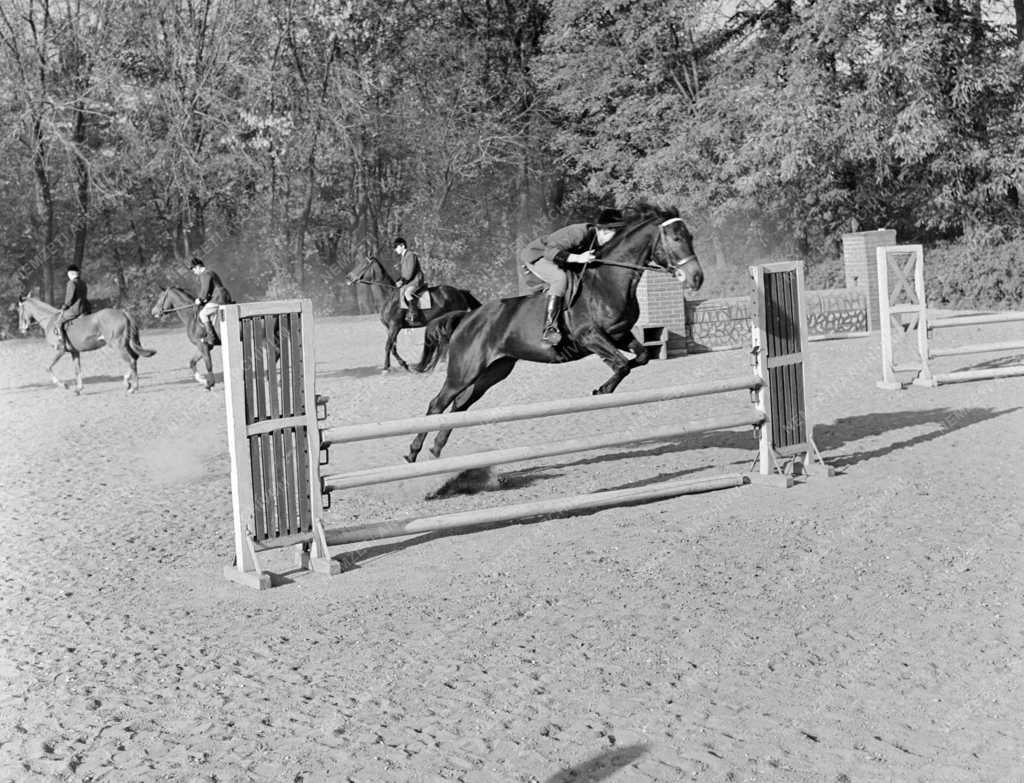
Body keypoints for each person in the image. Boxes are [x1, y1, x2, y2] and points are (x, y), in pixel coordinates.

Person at [518, 207, 627, 344]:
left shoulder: (600, 242)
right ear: (605, 230)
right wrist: (579, 258)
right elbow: (550, 251)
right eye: (616, 234)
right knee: (560, 278)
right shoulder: (579, 232)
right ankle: (549, 329)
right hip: (538, 255)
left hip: (559, 260)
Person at [190, 257, 232, 345]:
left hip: (218, 298)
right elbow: (209, 291)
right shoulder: (211, 272)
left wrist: (200, 299)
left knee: (202, 314)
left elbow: (205, 290)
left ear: (198, 267)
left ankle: (211, 337)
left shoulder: (204, 274)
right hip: (223, 296)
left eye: (193, 269)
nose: (194, 272)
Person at [54, 264, 91, 351]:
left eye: (68, 274)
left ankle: (63, 344)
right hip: (86, 307)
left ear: (70, 274)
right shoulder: (83, 283)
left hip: (76, 309)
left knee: (58, 322)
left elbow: (69, 299)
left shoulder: (71, 283)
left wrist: (64, 306)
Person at [393, 237, 425, 326]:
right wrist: (399, 280)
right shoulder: (404, 257)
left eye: (396, 247)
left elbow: (409, 272)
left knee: (408, 293)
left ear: (402, 245)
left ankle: (414, 314)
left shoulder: (410, 255)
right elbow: (404, 273)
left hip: (416, 280)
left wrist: (402, 281)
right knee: (401, 292)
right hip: (409, 280)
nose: (395, 250)